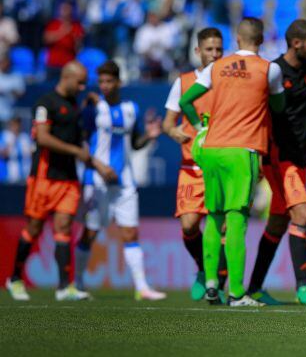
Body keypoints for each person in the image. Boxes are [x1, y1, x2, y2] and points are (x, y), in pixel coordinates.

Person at [179, 17, 285, 307]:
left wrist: (199, 127)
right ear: (260, 41)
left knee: (213, 216)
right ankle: (237, 293)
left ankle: (212, 283)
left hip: (211, 148)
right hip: (243, 150)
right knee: (236, 221)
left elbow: (187, 101)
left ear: (237, 40)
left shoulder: (216, 66)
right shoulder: (269, 69)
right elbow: (279, 107)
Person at [5, 62, 109, 301]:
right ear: (67, 76)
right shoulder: (45, 103)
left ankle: (64, 287)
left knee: (63, 229)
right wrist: (75, 151)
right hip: (44, 176)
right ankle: (15, 278)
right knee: (34, 228)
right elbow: (42, 138)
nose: (83, 86)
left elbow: (78, 141)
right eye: (80, 81)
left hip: (68, 179)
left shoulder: (75, 106)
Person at [245, 20, 306, 306]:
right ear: (296, 43)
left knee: (278, 222)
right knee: (302, 215)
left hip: (298, 158)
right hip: (279, 157)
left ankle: (254, 287)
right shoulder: (273, 71)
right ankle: (302, 286)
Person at [73, 61, 166, 301]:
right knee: (90, 233)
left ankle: (142, 288)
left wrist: (150, 135)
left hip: (125, 183)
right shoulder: (93, 108)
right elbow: (81, 142)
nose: (104, 86)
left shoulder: (130, 108)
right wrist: (99, 166)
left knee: (130, 234)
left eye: (109, 81)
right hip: (97, 182)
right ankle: (78, 283)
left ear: (119, 82)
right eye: (101, 81)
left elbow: (135, 144)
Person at [162, 28, 224, 300]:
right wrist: (174, 132)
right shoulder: (184, 82)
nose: (214, 55)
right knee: (189, 226)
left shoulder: (227, 80)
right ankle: (203, 268)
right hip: (190, 167)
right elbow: (168, 123)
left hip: (218, 165)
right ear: (198, 51)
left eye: (219, 50)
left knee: (220, 227)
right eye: (209, 49)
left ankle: (217, 281)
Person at [43, 2, 85, 79]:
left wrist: (77, 41)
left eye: (68, 9)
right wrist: (63, 31)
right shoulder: (53, 24)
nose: (65, 12)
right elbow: (47, 39)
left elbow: (78, 49)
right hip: (53, 64)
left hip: (68, 65)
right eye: (63, 9)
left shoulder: (77, 26)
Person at [0, 117, 34, 184]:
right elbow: (3, 154)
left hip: (23, 177)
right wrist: (12, 143)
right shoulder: (4, 136)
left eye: (17, 125)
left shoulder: (25, 137)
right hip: (6, 178)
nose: (16, 127)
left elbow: (32, 153)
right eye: (13, 125)